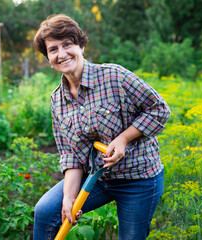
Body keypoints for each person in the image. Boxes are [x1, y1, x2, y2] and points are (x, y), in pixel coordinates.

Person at [32, 14, 171, 240]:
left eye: (67, 44)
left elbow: (159, 109)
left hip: (138, 178)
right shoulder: (57, 99)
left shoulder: (114, 76)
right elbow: (70, 154)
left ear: (81, 45)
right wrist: (68, 198)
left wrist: (123, 139)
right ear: (48, 58)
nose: (62, 54)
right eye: (53, 49)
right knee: (47, 211)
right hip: (96, 178)